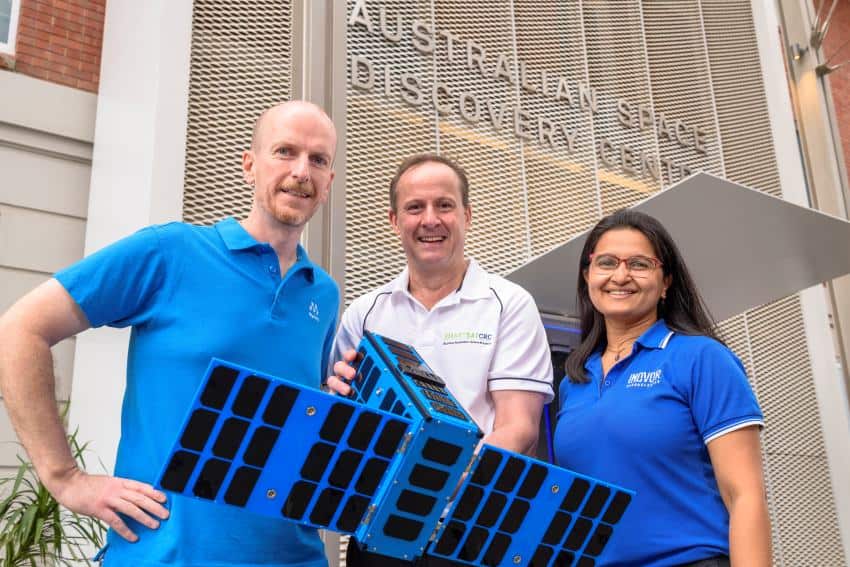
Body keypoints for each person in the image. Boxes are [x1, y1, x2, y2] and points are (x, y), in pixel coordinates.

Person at [0, 101, 339, 566]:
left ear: (328, 184)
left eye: (318, 159)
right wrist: (64, 478)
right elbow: (19, 329)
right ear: (249, 164)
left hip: (294, 557)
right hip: (168, 556)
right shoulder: (170, 252)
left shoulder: (323, 294)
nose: (301, 171)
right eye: (285, 151)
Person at [326, 154, 554, 566]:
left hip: (471, 533)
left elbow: (519, 429)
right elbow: (344, 421)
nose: (430, 220)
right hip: (379, 534)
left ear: (467, 215)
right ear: (395, 221)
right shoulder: (364, 313)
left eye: (444, 205)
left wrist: (434, 478)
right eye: (415, 207)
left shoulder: (509, 304)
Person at [553, 209, 771, 566]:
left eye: (639, 264)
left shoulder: (701, 358)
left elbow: (744, 495)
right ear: (587, 275)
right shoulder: (575, 380)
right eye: (606, 262)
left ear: (666, 281)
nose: (620, 276)